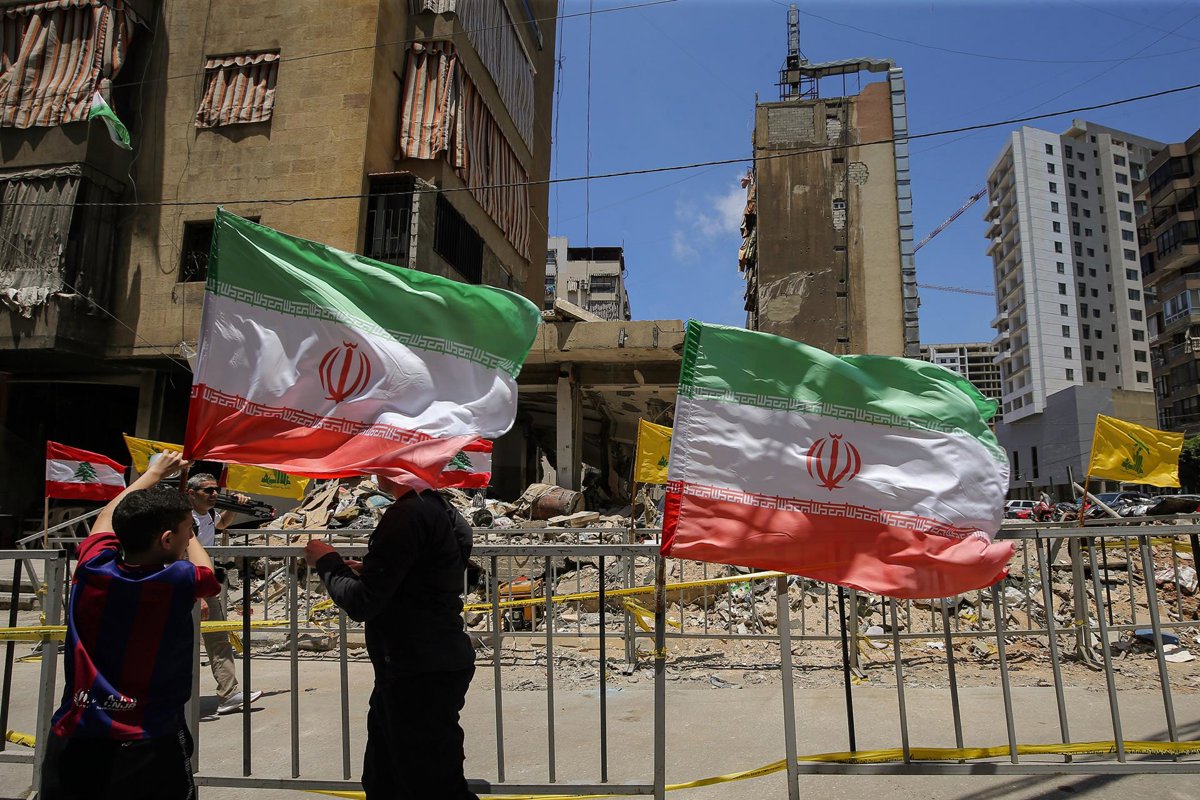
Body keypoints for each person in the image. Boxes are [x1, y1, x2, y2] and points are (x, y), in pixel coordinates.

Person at [41, 452, 218, 800]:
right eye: (187, 532)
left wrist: (153, 474)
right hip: (147, 740)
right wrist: (186, 520)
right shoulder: (176, 580)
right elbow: (208, 574)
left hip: (75, 736)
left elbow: (106, 518)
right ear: (167, 539)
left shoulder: (92, 569)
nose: (189, 538)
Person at [305, 480, 477, 800]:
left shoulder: (408, 514)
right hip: (422, 663)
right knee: (386, 778)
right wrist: (375, 570)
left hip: (415, 670)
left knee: (429, 786)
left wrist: (327, 561)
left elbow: (363, 602)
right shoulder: (440, 508)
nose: (374, 470)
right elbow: (431, 572)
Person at [186, 473, 261, 715]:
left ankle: (229, 693)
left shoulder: (208, 514)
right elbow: (181, 557)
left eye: (215, 489)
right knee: (179, 642)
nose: (214, 494)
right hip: (187, 585)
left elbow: (222, 525)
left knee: (218, 639)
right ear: (191, 493)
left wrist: (234, 507)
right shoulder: (183, 518)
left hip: (205, 585)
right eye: (208, 490)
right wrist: (197, 595)